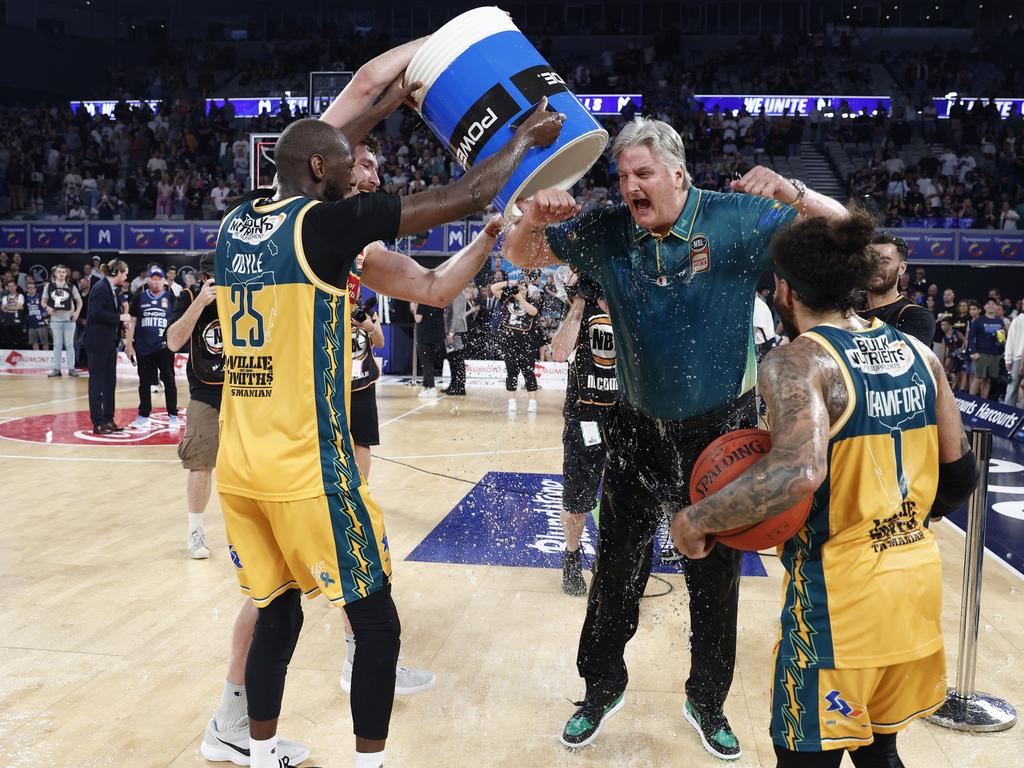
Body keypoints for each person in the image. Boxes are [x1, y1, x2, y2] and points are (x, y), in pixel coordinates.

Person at [213, 97, 564, 768]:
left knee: (277, 615)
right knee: (376, 622)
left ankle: (259, 755)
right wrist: (524, 139)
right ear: (320, 168)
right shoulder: (325, 225)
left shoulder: (233, 225)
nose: (359, 176)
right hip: (305, 466)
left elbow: (427, 284)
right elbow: (469, 193)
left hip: (242, 466)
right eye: (350, 164)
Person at [503, 115, 848, 759]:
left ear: (678, 174)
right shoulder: (607, 230)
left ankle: (707, 700)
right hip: (635, 426)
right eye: (622, 175)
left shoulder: (737, 219)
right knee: (615, 572)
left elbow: (844, 235)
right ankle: (601, 688)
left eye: (643, 173)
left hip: (723, 433)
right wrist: (533, 218)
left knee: (715, 577)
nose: (630, 185)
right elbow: (519, 254)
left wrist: (795, 194)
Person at [671, 208, 978, 768]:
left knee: (806, 756)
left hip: (840, 602)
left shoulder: (797, 362)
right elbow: (961, 476)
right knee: (878, 751)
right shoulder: (922, 355)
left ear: (786, 290)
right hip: (915, 587)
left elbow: (797, 471)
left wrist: (697, 519)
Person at [550, 272, 616, 596]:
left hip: (622, 416)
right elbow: (559, 352)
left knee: (621, 495)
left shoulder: (626, 303)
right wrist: (578, 304)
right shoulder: (583, 306)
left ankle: (609, 558)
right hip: (583, 416)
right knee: (577, 498)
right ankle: (572, 555)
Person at [126, 265, 180, 428]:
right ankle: (143, 415)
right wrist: (129, 345)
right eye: (153, 279)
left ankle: (173, 415)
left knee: (169, 381)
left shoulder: (171, 298)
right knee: (144, 383)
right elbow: (132, 322)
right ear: (148, 280)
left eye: (159, 279)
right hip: (144, 347)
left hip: (164, 347)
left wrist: (175, 342)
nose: (156, 282)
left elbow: (177, 322)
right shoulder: (139, 298)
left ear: (164, 280)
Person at [860, 234, 935, 346]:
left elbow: (904, 360)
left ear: (902, 268)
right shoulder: (845, 307)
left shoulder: (913, 315)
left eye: (884, 261)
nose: (875, 266)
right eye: (871, 259)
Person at [84, 259, 130, 434]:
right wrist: (120, 318)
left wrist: (121, 325)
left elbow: (108, 314)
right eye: (124, 273)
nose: (126, 277)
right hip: (97, 342)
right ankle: (98, 422)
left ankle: (108, 419)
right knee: (97, 383)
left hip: (110, 342)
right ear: (116, 273)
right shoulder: (100, 288)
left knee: (110, 382)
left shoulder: (112, 290)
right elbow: (96, 313)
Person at [490, 277, 540, 413]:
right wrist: (508, 283)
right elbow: (493, 288)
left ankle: (532, 402)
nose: (520, 290)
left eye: (523, 288)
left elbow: (533, 312)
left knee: (528, 371)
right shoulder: (507, 298)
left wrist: (520, 298)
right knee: (511, 370)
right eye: (519, 288)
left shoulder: (532, 300)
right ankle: (512, 401)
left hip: (526, 341)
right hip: (509, 340)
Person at [43, 265, 82, 376]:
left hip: (69, 320)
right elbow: (43, 301)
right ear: (55, 273)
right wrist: (47, 307)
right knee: (57, 345)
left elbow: (79, 301)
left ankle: (71, 369)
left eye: (63, 272)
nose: (61, 274)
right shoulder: (49, 286)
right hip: (55, 320)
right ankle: (56, 369)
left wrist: (77, 313)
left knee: (69, 345)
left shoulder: (71, 287)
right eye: (59, 272)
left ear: (66, 274)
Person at [968, 297, 1007, 400]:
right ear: (984, 307)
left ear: (996, 306)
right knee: (978, 378)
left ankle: (983, 402)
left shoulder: (1000, 321)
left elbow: (1002, 339)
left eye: (993, 304)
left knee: (988, 380)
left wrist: (1003, 340)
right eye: (988, 303)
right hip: (982, 353)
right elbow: (971, 337)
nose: (991, 305)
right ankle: (970, 401)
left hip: (995, 354)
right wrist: (973, 351)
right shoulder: (978, 320)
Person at [411, 300, 445, 396]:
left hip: (424, 337)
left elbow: (418, 319)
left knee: (426, 363)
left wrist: (414, 309)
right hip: (436, 336)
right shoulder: (437, 302)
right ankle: (425, 386)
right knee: (430, 362)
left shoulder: (422, 302)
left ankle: (431, 387)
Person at [1004, 308, 1024, 407]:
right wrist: (1008, 358)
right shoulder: (1018, 320)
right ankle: (1007, 413)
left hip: (1018, 357)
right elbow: (1010, 339)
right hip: (1017, 357)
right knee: (1012, 388)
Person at [23, 278, 49, 350]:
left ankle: (46, 359)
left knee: (44, 342)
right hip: (31, 324)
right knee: (34, 343)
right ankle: (36, 360)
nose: (30, 289)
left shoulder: (41, 297)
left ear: (35, 289)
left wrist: (46, 318)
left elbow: (46, 308)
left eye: (32, 288)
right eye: (28, 288)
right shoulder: (26, 298)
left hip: (41, 323)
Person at [0, 279, 24, 348]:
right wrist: (16, 306)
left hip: (17, 321)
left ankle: (20, 357)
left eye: (13, 286)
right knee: (8, 342)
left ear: (16, 287)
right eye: (9, 286)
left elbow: (19, 307)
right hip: (7, 321)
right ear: (7, 287)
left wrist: (7, 306)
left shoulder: (20, 296)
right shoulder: (5, 297)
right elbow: (2, 308)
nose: (11, 288)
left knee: (19, 341)